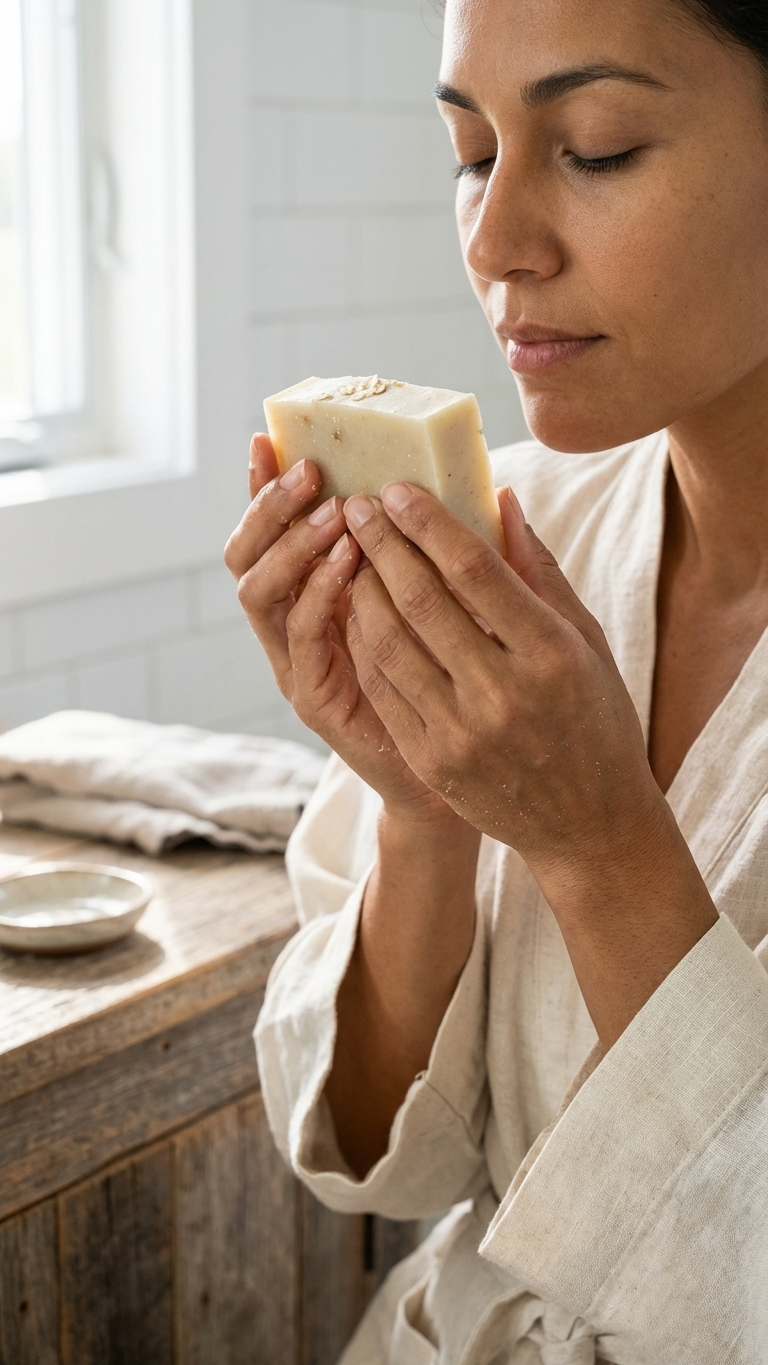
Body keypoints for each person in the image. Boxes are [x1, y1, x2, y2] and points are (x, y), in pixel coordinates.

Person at [224, 0, 768, 1358]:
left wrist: (598, 841)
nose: (493, 241)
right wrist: (421, 811)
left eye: (594, 147)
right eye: (474, 154)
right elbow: (382, 1165)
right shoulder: (516, 535)